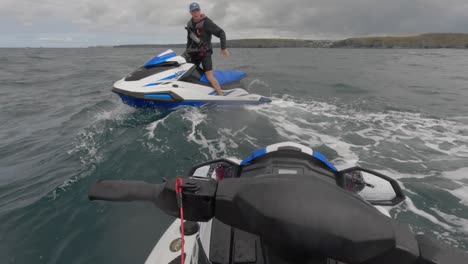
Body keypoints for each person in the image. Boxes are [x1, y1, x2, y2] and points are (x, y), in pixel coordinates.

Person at [185, 2, 230, 96]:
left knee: (209, 76)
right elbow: (189, 40)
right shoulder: (190, 24)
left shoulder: (206, 22)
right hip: (194, 53)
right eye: (193, 11)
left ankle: (220, 95)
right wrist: (187, 52)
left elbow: (221, 32)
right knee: (187, 73)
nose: (196, 13)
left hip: (205, 53)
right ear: (190, 13)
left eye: (197, 10)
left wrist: (223, 48)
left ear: (200, 11)